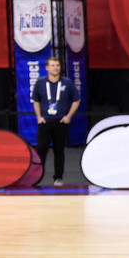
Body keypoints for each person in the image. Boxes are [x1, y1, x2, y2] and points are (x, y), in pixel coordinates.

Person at [31, 56, 79, 187]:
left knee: (59, 150)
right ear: (47, 68)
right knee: (41, 150)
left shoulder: (67, 82)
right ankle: (36, 177)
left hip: (61, 122)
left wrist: (69, 116)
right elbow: (36, 100)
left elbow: (76, 100)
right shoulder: (40, 83)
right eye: (52, 65)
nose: (55, 68)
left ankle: (58, 177)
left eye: (57, 65)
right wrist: (39, 117)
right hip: (45, 122)